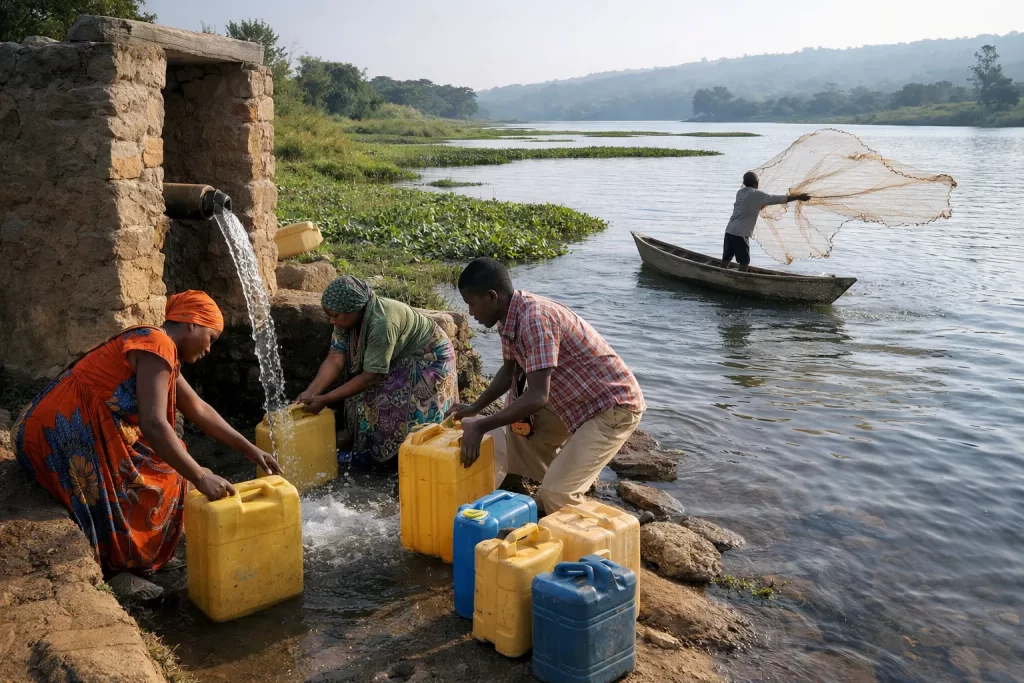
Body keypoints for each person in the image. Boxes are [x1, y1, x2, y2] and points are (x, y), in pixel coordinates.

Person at [12, 291, 281, 600]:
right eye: (211, 337)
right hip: (58, 432)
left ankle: (145, 554)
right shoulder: (157, 345)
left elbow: (198, 409)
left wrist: (250, 449)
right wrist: (201, 477)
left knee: (171, 468)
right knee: (170, 472)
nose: (210, 348)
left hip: (69, 425)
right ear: (193, 324)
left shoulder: (160, 348)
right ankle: (117, 570)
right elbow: (154, 424)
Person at [449, 258, 646, 515]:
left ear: (492, 296)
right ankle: (541, 481)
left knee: (557, 493)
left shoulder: (534, 319)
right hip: (576, 401)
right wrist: (475, 408)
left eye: (472, 305)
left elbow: (539, 396)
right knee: (517, 418)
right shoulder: (507, 318)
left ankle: (612, 526)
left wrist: (481, 425)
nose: (471, 313)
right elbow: (509, 372)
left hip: (612, 408)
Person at [298, 276, 459, 464]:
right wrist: (311, 391)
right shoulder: (346, 318)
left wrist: (325, 399)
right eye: (329, 315)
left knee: (389, 399)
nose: (331, 321)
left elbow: (371, 376)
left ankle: (399, 456)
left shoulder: (382, 322)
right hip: (400, 356)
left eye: (335, 315)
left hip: (429, 358)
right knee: (365, 396)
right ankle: (372, 448)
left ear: (355, 310)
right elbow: (335, 358)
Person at [723, 171, 810, 271]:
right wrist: (798, 197)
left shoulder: (740, 192)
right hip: (740, 233)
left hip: (729, 230)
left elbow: (747, 205)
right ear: (756, 183)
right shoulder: (757, 194)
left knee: (726, 257)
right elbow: (775, 199)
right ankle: (740, 280)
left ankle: (721, 273)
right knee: (745, 261)